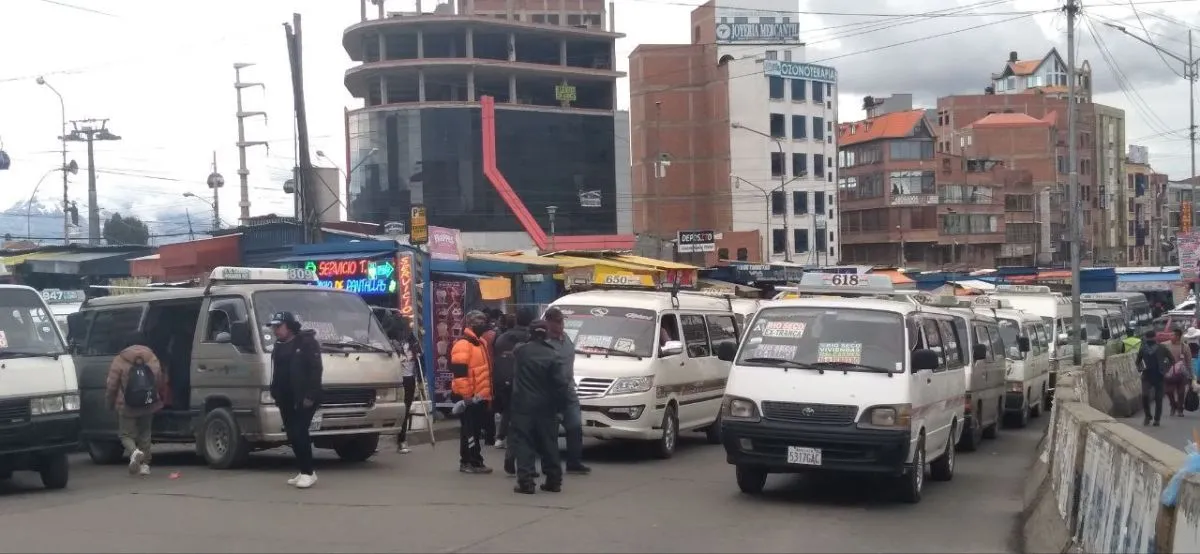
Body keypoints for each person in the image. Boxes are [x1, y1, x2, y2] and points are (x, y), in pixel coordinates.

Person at [509, 320, 570, 494]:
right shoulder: (554, 355)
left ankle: (526, 482)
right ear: (546, 334)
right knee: (549, 442)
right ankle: (554, 480)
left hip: (523, 405)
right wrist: (561, 407)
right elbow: (561, 384)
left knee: (524, 442)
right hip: (547, 406)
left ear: (531, 333)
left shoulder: (521, 352)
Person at [268, 311, 324, 489]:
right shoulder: (279, 345)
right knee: (292, 434)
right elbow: (276, 370)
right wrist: (274, 391)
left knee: (300, 432)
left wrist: (310, 395)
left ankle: (308, 472)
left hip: (304, 398)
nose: (276, 330)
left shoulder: (306, 343)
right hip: (285, 398)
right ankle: (303, 470)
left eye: (279, 326)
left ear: (290, 326)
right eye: (274, 327)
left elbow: (316, 370)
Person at [104, 332, 168, 477]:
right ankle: (145, 465)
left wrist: (109, 403)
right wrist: (155, 395)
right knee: (145, 434)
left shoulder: (120, 359)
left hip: (127, 405)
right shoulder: (152, 357)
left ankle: (134, 452)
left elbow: (112, 385)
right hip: (148, 403)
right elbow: (159, 380)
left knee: (125, 434)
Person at [543, 307, 591, 475]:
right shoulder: (543, 342)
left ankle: (574, 462)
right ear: (548, 322)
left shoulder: (567, 338)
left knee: (575, 426)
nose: (561, 325)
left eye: (562, 321)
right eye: (557, 322)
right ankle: (551, 466)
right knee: (551, 431)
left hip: (569, 391)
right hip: (551, 393)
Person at [451, 310, 494, 474]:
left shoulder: (481, 343)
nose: (482, 325)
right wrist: (466, 397)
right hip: (468, 397)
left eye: (483, 321)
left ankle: (476, 460)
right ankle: (468, 461)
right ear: (470, 324)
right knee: (469, 431)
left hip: (479, 396)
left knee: (475, 431)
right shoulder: (463, 345)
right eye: (478, 322)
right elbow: (460, 374)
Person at [494, 309, 534, 473]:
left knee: (509, 411)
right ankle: (527, 465)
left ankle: (501, 438)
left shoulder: (502, 338)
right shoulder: (530, 339)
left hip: (503, 380)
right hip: (525, 384)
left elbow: (496, 357)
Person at [389, 318, 422, 454]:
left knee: (405, 409)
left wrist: (420, 380)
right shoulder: (391, 342)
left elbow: (420, 361)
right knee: (392, 409)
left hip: (409, 379)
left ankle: (402, 439)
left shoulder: (413, 343)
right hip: (395, 380)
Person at [1136, 330, 1174, 427]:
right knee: (1145, 396)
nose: (1149, 340)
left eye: (1151, 338)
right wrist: (1141, 369)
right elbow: (1138, 361)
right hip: (1147, 376)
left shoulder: (1162, 348)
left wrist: (1165, 368)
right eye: (1148, 338)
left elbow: (1172, 359)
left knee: (1158, 399)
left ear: (1154, 337)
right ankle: (1148, 416)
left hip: (1159, 376)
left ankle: (1157, 419)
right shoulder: (1143, 349)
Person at [1165, 328, 1193, 417]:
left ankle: (1180, 409)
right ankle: (1173, 405)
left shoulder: (1185, 347)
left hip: (1181, 373)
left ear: (1177, 336)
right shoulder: (1166, 346)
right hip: (1169, 373)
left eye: (1172, 335)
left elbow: (1189, 362)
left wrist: (1191, 376)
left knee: (1181, 392)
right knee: (1168, 391)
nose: (1170, 336)